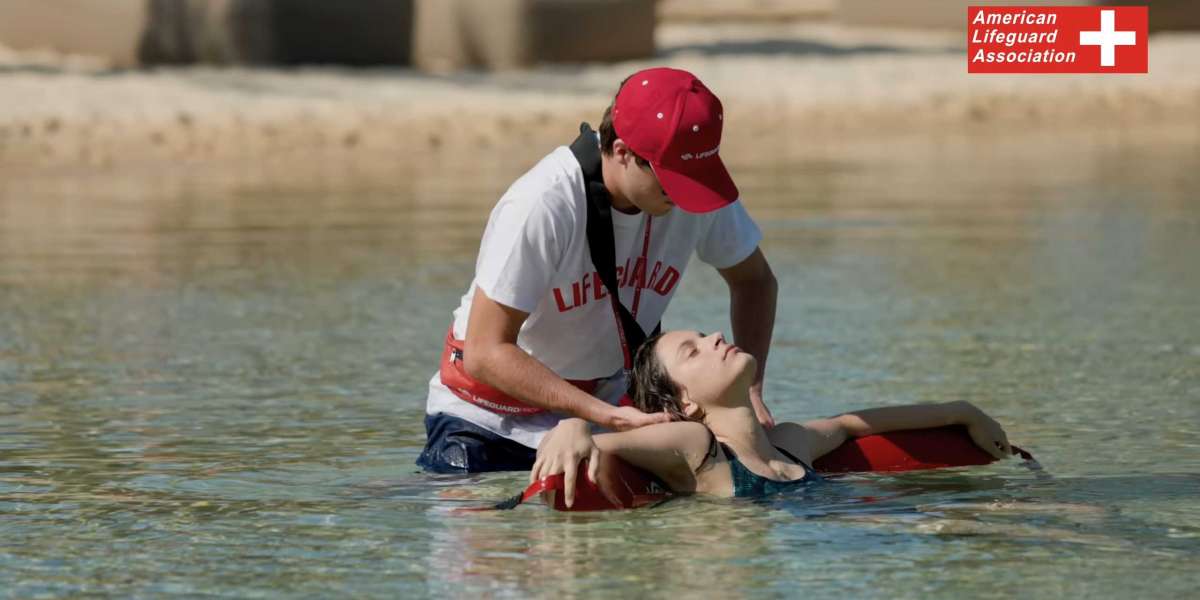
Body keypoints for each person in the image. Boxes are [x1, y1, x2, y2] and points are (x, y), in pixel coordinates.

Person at [417, 67, 780, 473]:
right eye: (673, 181)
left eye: (696, 175)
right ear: (623, 152)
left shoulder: (694, 186)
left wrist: (752, 389)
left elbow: (755, 281)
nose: (687, 196)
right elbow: (484, 353)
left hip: (605, 408)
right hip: (488, 418)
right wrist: (605, 417)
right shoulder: (543, 203)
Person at [532, 330, 1013, 505]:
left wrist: (961, 411)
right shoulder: (696, 447)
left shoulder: (788, 443)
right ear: (685, 404)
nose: (717, 336)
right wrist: (573, 424)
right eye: (693, 351)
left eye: (705, 334)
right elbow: (603, 443)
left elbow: (851, 424)